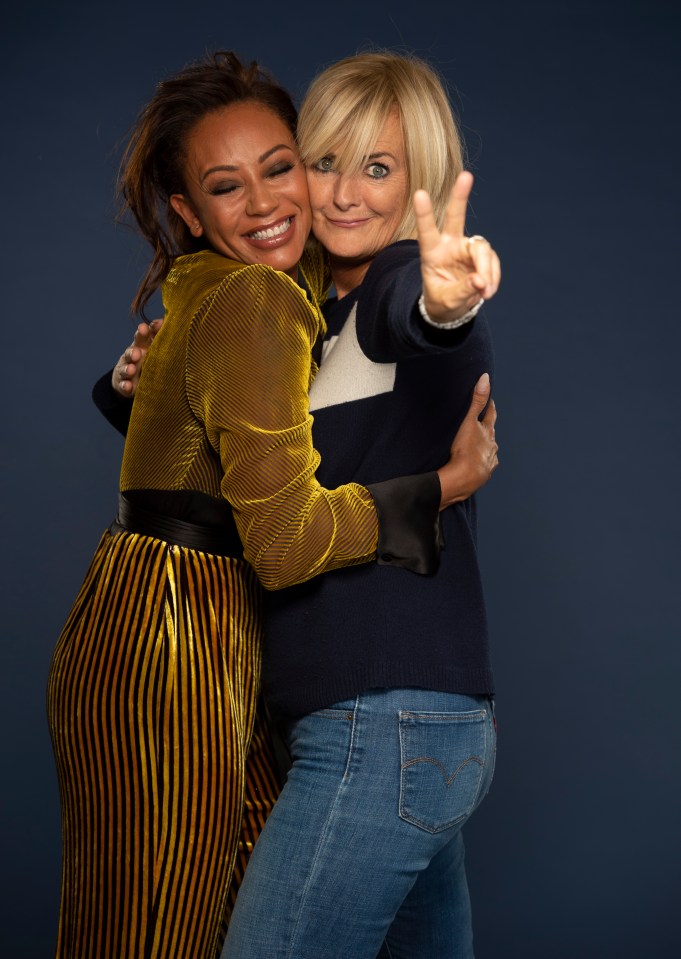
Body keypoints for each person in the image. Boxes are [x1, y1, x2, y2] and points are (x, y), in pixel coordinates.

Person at [49, 51, 498, 959]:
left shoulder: (390, 294)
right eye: (324, 159)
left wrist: (447, 301)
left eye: (379, 169)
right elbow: (237, 449)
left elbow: (416, 313)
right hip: (363, 717)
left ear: (420, 183)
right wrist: (130, 386)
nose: (337, 194)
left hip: (385, 722)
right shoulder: (305, 305)